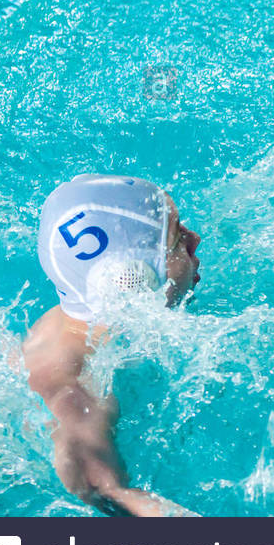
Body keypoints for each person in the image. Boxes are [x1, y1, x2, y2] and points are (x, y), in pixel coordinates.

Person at [23, 173, 201, 516]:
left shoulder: (74, 316)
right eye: (178, 240)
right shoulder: (78, 391)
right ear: (132, 280)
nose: (195, 240)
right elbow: (100, 488)